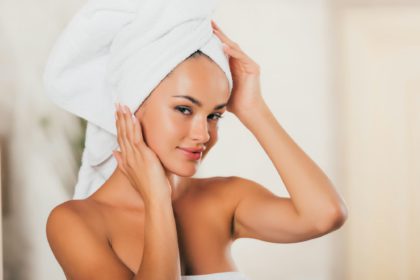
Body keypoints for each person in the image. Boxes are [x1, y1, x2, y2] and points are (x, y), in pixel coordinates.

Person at [46, 20, 347, 280]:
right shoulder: (75, 222)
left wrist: (253, 109)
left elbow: (324, 215)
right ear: (130, 108)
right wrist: (156, 199)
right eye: (184, 109)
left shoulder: (225, 199)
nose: (203, 134)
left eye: (215, 115)